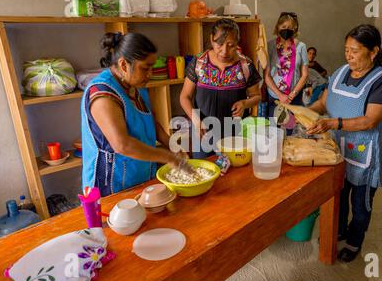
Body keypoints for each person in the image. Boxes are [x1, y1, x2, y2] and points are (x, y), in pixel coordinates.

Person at [307, 25, 382, 263]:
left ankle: (355, 240)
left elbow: (369, 121)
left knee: (360, 203)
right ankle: (339, 230)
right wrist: (301, 112)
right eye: (346, 49)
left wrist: (332, 123)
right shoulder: (339, 73)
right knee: (338, 194)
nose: (348, 55)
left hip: (364, 156)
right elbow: (323, 102)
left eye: (355, 51)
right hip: (336, 150)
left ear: (373, 51)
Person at [81, 32, 188, 197]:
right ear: (124, 65)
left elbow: (150, 120)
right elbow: (122, 145)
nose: (150, 74)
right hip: (111, 185)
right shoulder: (102, 93)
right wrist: (170, 158)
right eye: (145, 68)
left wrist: (172, 145)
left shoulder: (136, 84)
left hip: (140, 175)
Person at [179, 19, 262, 158]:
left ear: (237, 44)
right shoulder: (199, 62)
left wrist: (245, 103)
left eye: (231, 45)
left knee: (233, 174)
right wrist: (196, 120)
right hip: (203, 131)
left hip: (233, 132)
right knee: (204, 169)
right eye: (220, 44)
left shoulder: (245, 65)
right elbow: (184, 97)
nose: (224, 51)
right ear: (212, 39)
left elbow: (257, 96)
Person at [264, 12, 309, 119]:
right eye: (283, 26)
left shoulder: (301, 46)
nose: (286, 29)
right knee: (274, 130)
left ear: (295, 29)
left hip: (294, 96)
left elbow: (305, 75)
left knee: (292, 129)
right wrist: (280, 95)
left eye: (290, 27)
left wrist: (293, 94)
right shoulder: (269, 46)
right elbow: (266, 75)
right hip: (275, 96)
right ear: (278, 27)